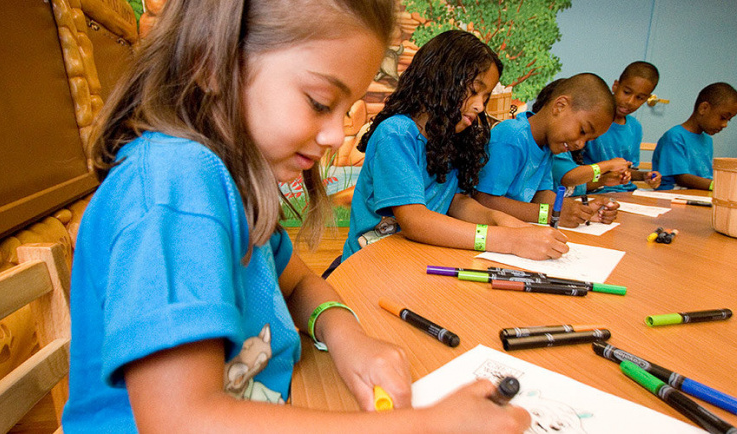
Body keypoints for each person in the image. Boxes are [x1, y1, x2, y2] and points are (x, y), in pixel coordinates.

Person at [62, 1, 531, 433]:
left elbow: (299, 284)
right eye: (321, 102)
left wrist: (345, 334)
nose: (334, 133)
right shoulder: (174, 184)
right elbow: (181, 419)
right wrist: (422, 426)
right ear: (212, 62)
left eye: (345, 110)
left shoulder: (232, 183)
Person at [341, 30, 568, 265]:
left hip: (421, 258)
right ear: (439, 79)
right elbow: (415, 220)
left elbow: (455, 201)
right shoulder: (397, 133)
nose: (480, 106)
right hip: (372, 265)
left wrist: (500, 220)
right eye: (473, 91)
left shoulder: (450, 138)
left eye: (485, 97)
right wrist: (507, 239)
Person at [473, 74, 619, 227]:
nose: (581, 144)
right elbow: (485, 200)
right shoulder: (512, 137)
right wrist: (550, 214)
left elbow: (540, 195)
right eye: (582, 131)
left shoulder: (547, 146)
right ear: (559, 106)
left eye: (588, 140)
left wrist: (581, 211)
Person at [553, 62, 663, 196]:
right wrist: (609, 168)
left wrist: (644, 176)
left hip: (624, 192)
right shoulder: (591, 121)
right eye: (627, 92)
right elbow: (569, 177)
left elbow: (627, 167)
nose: (630, 101)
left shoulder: (635, 128)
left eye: (640, 98)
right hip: (592, 190)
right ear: (616, 86)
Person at [653, 82, 737, 190]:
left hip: (700, 195)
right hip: (672, 196)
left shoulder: (707, 140)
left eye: (728, 120)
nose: (725, 125)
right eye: (723, 117)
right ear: (704, 108)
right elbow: (682, 178)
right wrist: (718, 185)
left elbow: (705, 176)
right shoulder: (674, 136)